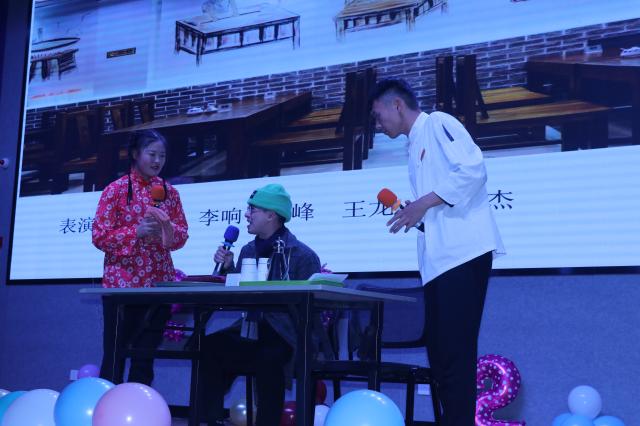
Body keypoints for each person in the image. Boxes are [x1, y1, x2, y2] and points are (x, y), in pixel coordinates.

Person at [370, 79, 505, 426]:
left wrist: (423, 204)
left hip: (463, 255)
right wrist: (414, 213)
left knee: (456, 357)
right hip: (438, 262)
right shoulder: (413, 145)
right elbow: (439, 208)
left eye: (378, 115)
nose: (378, 124)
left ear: (397, 105)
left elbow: (473, 170)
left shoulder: (438, 123)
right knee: (441, 357)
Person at [201, 183, 321, 426]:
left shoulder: (302, 255)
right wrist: (228, 270)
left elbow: (311, 310)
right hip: (251, 329)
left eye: (252, 210)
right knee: (210, 346)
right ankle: (208, 419)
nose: (246, 214)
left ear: (271, 215)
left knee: (268, 356)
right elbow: (240, 295)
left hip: (286, 334)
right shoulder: (247, 250)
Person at [92, 129, 189, 385]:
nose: (157, 161)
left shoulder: (169, 192)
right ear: (135, 154)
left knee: (145, 357)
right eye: (152, 154)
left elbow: (182, 235)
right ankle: (108, 405)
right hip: (123, 285)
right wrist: (136, 232)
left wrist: (165, 230)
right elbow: (100, 236)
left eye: (162, 156)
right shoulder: (115, 190)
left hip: (159, 284)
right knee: (115, 354)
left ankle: (140, 406)